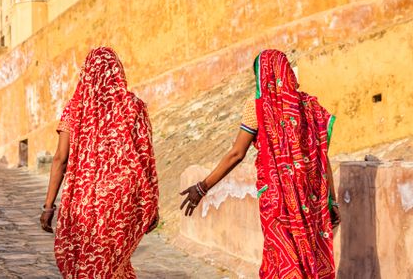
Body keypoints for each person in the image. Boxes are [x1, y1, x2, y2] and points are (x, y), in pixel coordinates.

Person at [180, 49, 340, 278]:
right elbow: (321, 157)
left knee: (284, 261)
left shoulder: (257, 107)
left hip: (277, 202)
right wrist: (331, 200)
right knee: (307, 260)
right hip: (310, 200)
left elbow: (236, 154)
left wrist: (202, 187)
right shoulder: (310, 107)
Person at [40, 47, 159, 278]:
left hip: (84, 201)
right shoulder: (134, 106)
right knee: (115, 264)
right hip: (123, 198)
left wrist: (48, 206)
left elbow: (60, 159)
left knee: (87, 261)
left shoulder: (75, 109)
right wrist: (152, 203)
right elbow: (146, 157)